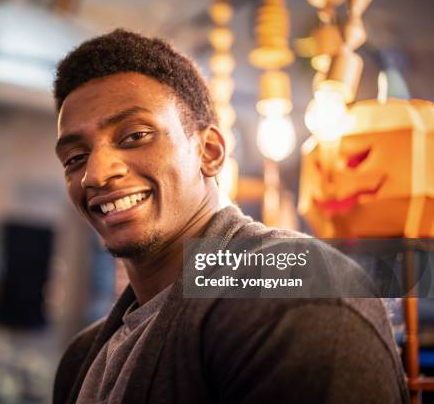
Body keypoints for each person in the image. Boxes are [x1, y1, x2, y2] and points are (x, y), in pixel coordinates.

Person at [52, 29, 408, 403]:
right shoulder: (82, 357)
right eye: (75, 158)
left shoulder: (294, 289)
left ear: (209, 152)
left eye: (134, 136)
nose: (96, 174)